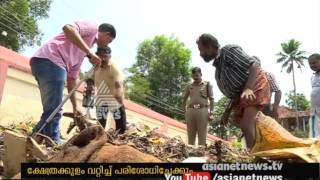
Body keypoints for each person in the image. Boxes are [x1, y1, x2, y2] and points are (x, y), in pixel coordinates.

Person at [30, 21, 116, 144]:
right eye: (109, 41)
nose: (107, 44)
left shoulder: (82, 53)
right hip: (51, 60)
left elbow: (72, 79)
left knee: (51, 109)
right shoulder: (93, 28)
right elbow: (67, 28)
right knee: (55, 108)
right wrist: (89, 53)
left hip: (47, 64)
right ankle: (53, 140)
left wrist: (76, 106)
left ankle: (33, 138)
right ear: (107, 34)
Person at [196, 33, 270, 149]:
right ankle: (262, 151)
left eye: (201, 50)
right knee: (246, 125)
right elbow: (233, 95)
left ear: (210, 46)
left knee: (247, 124)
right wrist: (226, 112)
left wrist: (248, 88)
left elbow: (254, 65)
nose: (200, 54)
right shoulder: (218, 70)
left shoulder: (229, 51)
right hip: (241, 95)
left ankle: (255, 158)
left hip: (254, 84)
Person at [87, 46, 126, 133]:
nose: (103, 59)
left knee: (120, 127)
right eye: (101, 56)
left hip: (115, 99)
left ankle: (120, 141)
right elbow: (89, 79)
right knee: (100, 125)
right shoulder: (95, 68)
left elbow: (119, 84)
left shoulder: (114, 67)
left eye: (105, 56)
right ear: (97, 56)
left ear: (110, 56)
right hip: (101, 99)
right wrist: (90, 86)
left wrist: (119, 101)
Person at [182, 67, 214, 145]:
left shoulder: (207, 84)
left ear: (201, 75)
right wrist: (184, 111)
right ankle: (190, 153)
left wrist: (211, 113)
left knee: (202, 134)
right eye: (193, 76)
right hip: (191, 111)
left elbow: (212, 99)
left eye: (197, 75)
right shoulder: (189, 86)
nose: (195, 77)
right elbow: (184, 99)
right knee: (190, 134)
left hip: (203, 110)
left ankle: (201, 154)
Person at [308, 53, 320, 138]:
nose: (312, 65)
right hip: (315, 109)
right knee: (315, 132)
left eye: (314, 62)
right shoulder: (313, 77)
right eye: (310, 63)